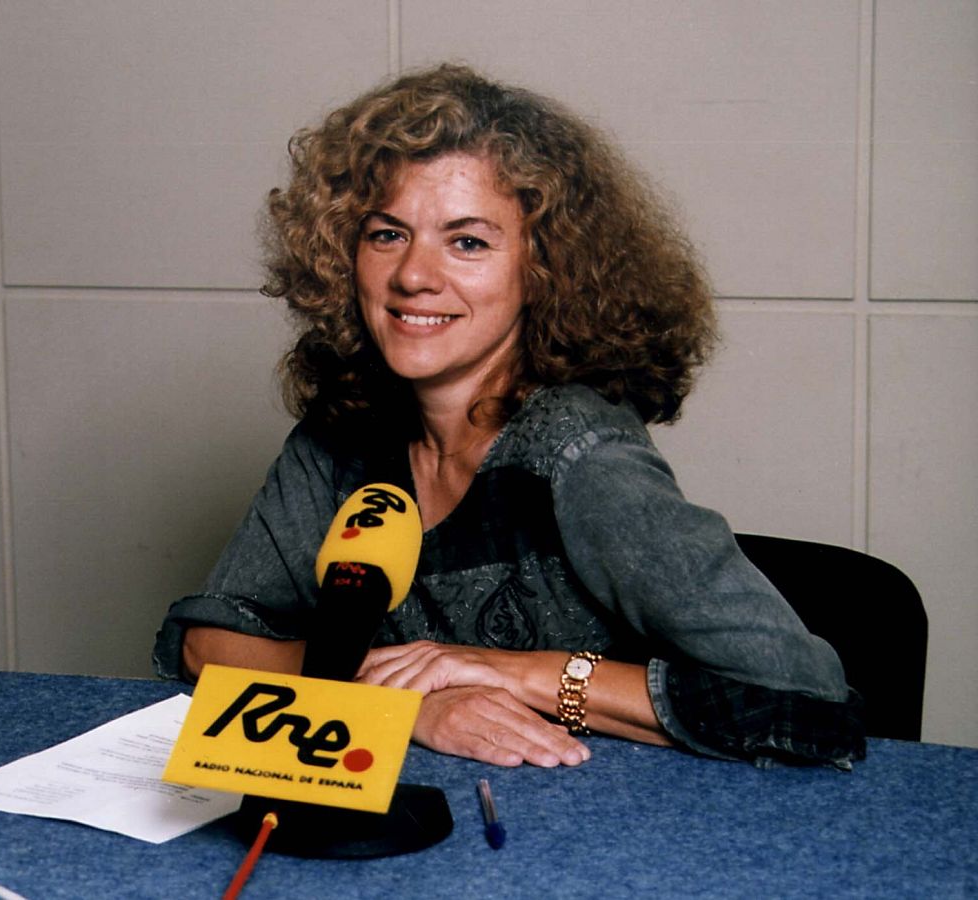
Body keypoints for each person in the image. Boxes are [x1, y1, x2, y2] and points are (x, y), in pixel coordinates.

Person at [153, 63, 864, 768]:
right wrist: (402, 704)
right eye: (385, 234)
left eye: (467, 242)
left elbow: (804, 699)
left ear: (545, 268)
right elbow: (207, 640)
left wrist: (507, 671)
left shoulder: (579, 456)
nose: (413, 275)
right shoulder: (340, 437)